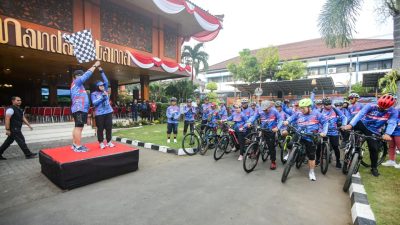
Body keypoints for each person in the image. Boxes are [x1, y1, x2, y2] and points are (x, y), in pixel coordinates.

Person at [343, 94, 398, 177]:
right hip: (362, 124)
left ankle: (374, 168)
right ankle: (348, 146)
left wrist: (387, 134)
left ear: (390, 106)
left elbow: (392, 122)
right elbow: (360, 115)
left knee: (374, 149)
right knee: (347, 129)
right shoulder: (370, 105)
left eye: (384, 109)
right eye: (379, 107)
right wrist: (350, 125)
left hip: (374, 130)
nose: (381, 109)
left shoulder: (393, 111)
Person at [283, 98, 328, 181]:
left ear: (309, 107)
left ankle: (311, 172)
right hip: (299, 134)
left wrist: (324, 132)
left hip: (310, 136)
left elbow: (325, 122)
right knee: (289, 144)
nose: (301, 110)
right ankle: (290, 155)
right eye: (300, 108)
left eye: (303, 108)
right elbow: (291, 117)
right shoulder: (299, 113)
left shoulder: (317, 114)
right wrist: (287, 121)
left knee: (311, 156)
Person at [70, 60, 100, 152]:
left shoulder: (77, 85)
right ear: (77, 76)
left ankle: (75, 145)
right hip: (79, 108)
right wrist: (95, 65)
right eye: (81, 75)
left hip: (79, 108)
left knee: (77, 126)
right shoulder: (77, 82)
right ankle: (78, 146)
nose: (83, 77)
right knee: (79, 127)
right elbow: (87, 74)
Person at [247, 100, 282, 169]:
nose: (264, 111)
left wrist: (277, 127)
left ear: (270, 107)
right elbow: (254, 117)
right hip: (263, 129)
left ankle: (273, 161)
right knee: (256, 140)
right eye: (263, 110)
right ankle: (254, 153)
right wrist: (249, 122)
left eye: (266, 110)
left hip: (271, 130)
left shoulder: (274, 111)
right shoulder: (259, 110)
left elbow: (280, 119)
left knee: (271, 146)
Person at [317, 97, 347, 168]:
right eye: (327, 104)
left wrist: (343, 125)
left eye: (330, 104)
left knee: (336, 147)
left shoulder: (335, 109)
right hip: (323, 131)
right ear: (323, 105)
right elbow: (316, 120)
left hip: (334, 131)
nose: (329, 105)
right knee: (318, 145)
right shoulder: (320, 111)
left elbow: (344, 117)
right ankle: (317, 160)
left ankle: (338, 161)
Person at [90, 67, 115, 149]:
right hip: (99, 113)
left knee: (109, 127)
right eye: (100, 85)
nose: (102, 86)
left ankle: (109, 141)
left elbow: (106, 81)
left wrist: (101, 71)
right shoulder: (94, 94)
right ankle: (101, 142)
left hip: (108, 112)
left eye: (103, 85)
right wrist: (102, 98)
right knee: (100, 128)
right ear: (97, 87)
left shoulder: (105, 90)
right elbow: (94, 103)